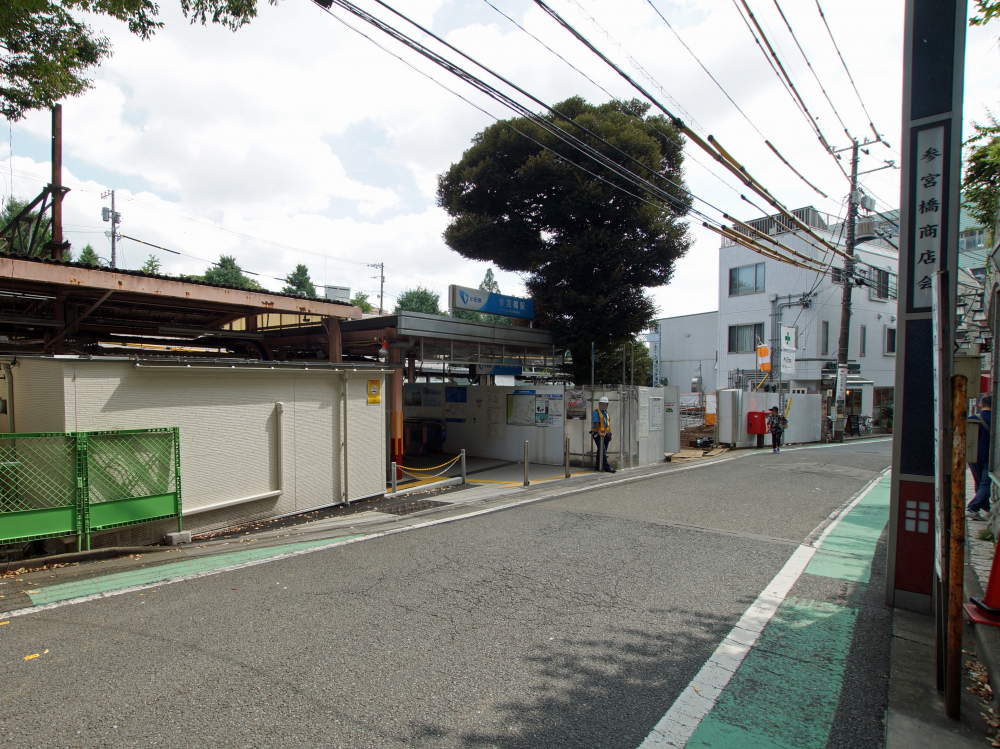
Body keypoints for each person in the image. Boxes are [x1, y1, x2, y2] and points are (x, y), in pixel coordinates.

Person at [968, 395, 992, 520]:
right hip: (989, 457)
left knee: (979, 483)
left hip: (973, 456)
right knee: (986, 484)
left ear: (981, 405)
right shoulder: (996, 419)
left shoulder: (972, 419)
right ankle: (972, 508)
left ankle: (985, 508)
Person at [591, 396, 615, 473]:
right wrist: (599, 433)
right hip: (598, 434)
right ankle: (607, 467)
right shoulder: (596, 412)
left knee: (601, 451)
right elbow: (596, 423)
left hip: (606, 434)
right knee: (602, 450)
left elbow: (607, 424)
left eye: (605, 404)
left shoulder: (606, 412)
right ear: (599, 404)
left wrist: (609, 433)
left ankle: (598, 465)